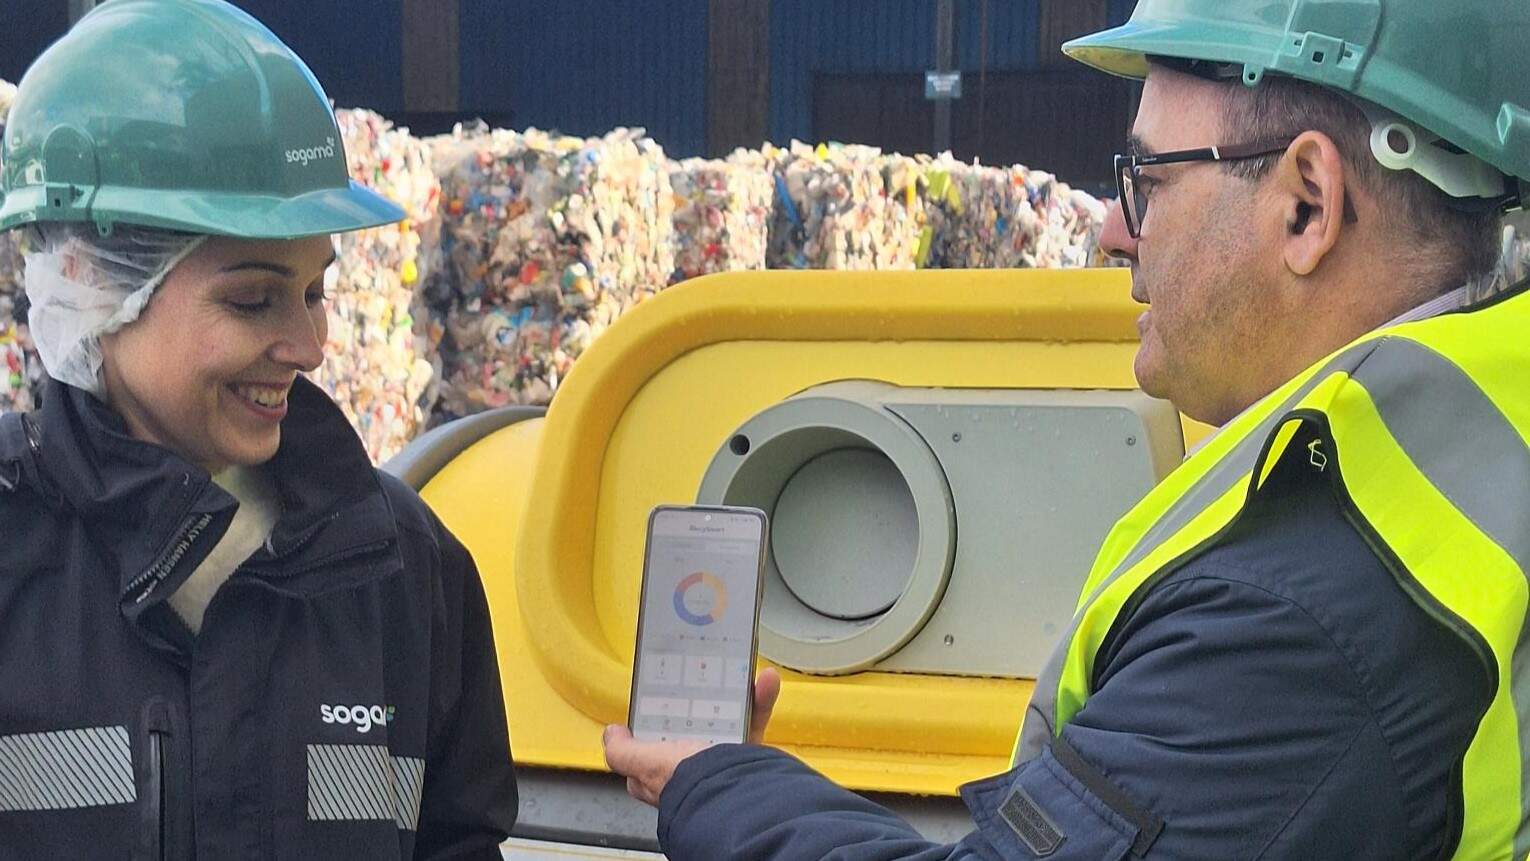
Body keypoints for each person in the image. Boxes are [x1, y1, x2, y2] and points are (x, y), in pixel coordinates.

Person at [604, 1, 1530, 857]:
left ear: (1307, 205)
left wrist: (715, 784)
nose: (1113, 232)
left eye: (1147, 180)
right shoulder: (1484, 424)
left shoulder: (1304, 611)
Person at [0, 1, 516, 858]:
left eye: (315, 292)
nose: (309, 346)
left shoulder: (403, 567)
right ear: (94, 283)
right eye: (252, 299)